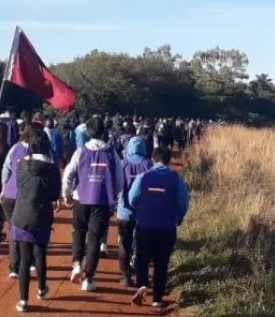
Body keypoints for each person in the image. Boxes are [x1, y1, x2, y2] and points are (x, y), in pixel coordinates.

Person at [62, 117, 124, 291]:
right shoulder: (112, 153)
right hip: (102, 201)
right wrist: (114, 196)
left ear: (88, 132)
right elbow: (119, 180)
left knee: (79, 231)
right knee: (95, 238)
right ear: (103, 132)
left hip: (80, 198)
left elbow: (68, 174)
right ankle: (89, 278)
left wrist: (66, 194)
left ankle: (76, 264)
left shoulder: (80, 151)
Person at [130, 147, 189, 308]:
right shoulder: (176, 180)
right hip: (167, 227)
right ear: (169, 160)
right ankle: (157, 298)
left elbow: (132, 199)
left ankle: (142, 283)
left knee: (141, 257)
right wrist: (179, 216)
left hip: (144, 225)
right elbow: (183, 204)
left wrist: (141, 208)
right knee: (161, 263)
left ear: (154, 159)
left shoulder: (143, 176)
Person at [12, 129, 61, 312]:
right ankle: (41, 289)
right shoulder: (52, 168)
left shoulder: (21, 164)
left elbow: (19, 186)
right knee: (40, 253)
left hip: (21, 214)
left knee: (24, 258)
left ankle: (23, 301)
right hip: (41, 215)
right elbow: (55, 194)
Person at [0, 124, 36, 278]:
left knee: (14, 230)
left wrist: (3, 188)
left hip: (10, 194)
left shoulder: (15, 148)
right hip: (28, 196)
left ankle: (15, 267)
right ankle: (31, 261)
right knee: (31, 228)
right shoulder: (40, 149)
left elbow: (6, 169)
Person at [117, 136, 153, 287]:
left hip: (124, 212)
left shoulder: (122, 163)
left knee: (124, 244)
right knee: (141, 245)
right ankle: (140, 276)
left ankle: (126, 276)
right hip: (143, 213)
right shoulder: (148, 164)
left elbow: (118, 186)